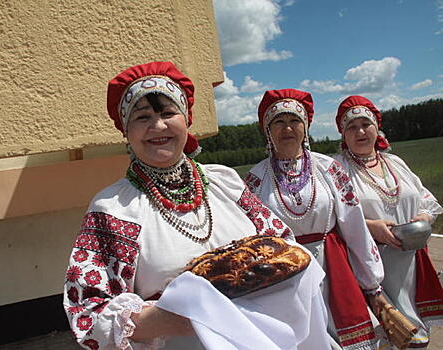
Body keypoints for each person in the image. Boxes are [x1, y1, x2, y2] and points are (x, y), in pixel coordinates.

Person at [63, 62, 329, 350]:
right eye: (142, 117)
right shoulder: (113, 208)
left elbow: (283, 246)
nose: (158, 126)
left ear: (186, 120)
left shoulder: (224, 181)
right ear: (126, 131)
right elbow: (89, 313)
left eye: (167, 113)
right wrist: (202, 316)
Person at [245, 89, 387, 350]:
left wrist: (372, 283)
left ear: (305, 126)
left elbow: (354, 226)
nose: (287, 128)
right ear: (267, 130)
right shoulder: (255, 179)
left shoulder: (328, 168)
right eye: (278, 121)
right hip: (284, 279)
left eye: (294, 120)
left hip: (333, 269)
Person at [332, 95, 443, 349]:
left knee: (415, 335)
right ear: (343, 134)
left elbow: (425, 197)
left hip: (410, 262)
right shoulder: (337, 169)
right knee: (387, 335)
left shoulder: (395, 163)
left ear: (376, 128)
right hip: (369, 266)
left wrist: (424, 217)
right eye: (351, 126)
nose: (360, 131)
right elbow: (330, 218)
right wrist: (371, 228)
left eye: (365, 124)